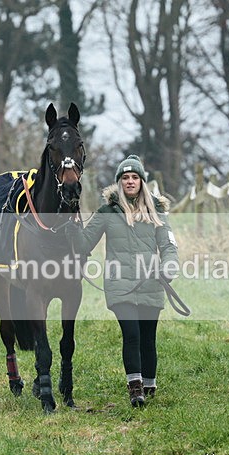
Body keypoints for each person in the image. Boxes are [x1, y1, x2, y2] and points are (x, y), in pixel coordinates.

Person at [67, 155, 179, 407]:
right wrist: (73, 230)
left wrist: (169, 266)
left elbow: (168, 245)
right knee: (131, 334)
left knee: (148, 337)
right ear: (119, 182)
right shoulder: (106, 212)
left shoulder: (157, 211)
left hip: (151, 282)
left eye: (134, 177)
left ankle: (150, 386)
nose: (130, 181)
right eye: (125, 178)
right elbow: (85, 244)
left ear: (142, 182)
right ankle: (135, 388)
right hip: (120, 285)